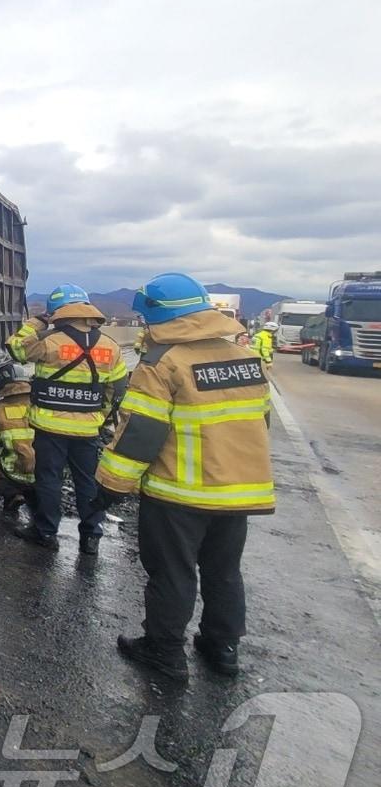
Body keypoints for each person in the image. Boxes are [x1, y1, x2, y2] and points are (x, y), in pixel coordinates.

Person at [96, 272, 273, 680]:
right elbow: (259, 423)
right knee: (224, 571)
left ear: (160, 315)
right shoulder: (248, 360)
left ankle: (164, 651)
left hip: (179, 494)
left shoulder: (164, 363)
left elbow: (139, 436)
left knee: (172, 572)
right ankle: (222, 648)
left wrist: (110, 487)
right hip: (237, 492)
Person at [7, 284, 129, 554]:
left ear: (57, 313)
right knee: (87, 482)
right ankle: (91, 537)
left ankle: (45, 532)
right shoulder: (110, 346)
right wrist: (99, 414)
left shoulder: (49, 341)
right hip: (88, 429)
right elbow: (118, 388)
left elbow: (16, 348)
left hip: (49, 426)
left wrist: (36, 323)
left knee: (49, 479)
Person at [0, 365, 36, 514]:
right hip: (42, 473)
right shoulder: (39, 405)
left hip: (13, 472)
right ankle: (36, 498)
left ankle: (12, 494)